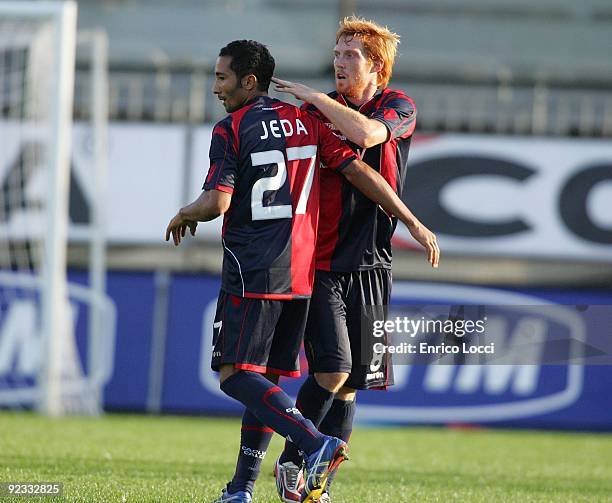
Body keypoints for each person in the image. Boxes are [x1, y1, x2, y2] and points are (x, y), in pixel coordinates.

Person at [165, 39, 438, 503]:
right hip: (310, 266)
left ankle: (310, 455)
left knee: (251, 376)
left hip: (280, 263)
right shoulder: (308, 123)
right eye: (336, 55)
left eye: (221, 78)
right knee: (306, 373)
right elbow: (355, 170)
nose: (215, 87)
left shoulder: (249, 124)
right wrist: (410, 219)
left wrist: (185, 213)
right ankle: (248, 484)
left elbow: (220, 200)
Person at [271, 16, 438, 502]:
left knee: (351, 387)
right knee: (334, 370)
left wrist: (314, 96)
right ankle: (290, 462)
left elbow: (367, 136)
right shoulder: (319, 115)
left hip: (373, 265)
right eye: (337, 52)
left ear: (376, 67)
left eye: (351, 55)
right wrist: (318, 101)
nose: (338, 62)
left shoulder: (398, 106)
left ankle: (318, 487)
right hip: (320, 262)